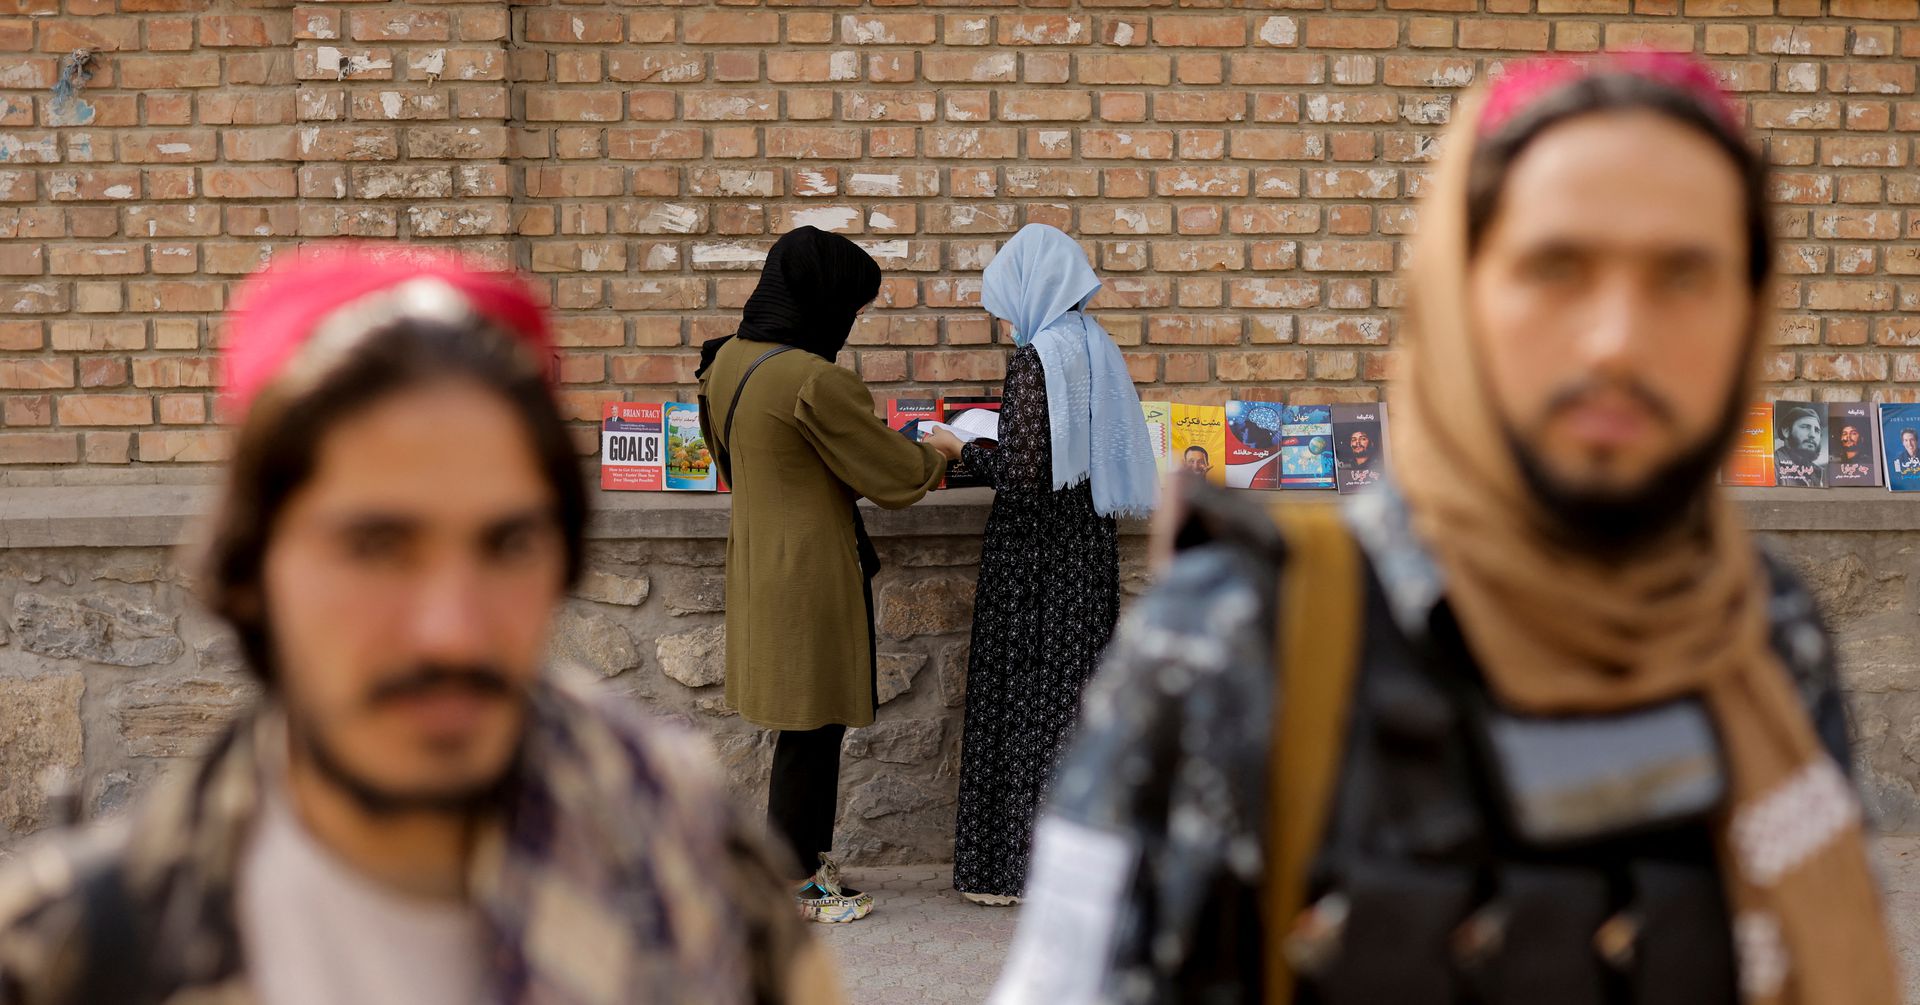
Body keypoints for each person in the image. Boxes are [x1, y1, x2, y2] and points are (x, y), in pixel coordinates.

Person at [993, 52, 1897, 1005]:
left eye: (1686, 275)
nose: (1617, 339)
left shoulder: (1763, 632)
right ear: (1457, 294)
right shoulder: (1233, 639)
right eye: (1556, 266)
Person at [0, 246, 836, 1004]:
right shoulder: (77, 952)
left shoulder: (704, 880)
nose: (451, 630)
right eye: (375, 546)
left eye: (506, 543)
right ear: (251, 569)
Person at [697, 226, 947, 924]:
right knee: (814, 721)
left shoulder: (726, 361)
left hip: (756, 558)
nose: (852, 321)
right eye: (854, 307)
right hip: (809, 570)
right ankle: (795, 876)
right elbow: (894, 475)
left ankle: (793, 858)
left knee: (798, 719)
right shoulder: (814, 378)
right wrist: (940, 451)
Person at [922, 223, 1158, 906]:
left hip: (1033, 562)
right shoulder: (1097, 346)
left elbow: (1023, 473)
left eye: (1004, 303)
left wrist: (958, 448)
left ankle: (1009, 871)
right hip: (1086, 553)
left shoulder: (1037, 358)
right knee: (1074, 707)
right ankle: (1078, 869)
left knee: (1023, 702)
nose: (1002, 321)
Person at [1773, 401, 1826, 487]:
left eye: (1817, 430)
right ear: (1786, 431)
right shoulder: (1772, 466)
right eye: (1805, 427)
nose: (1812, 435)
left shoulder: (1817, 473)